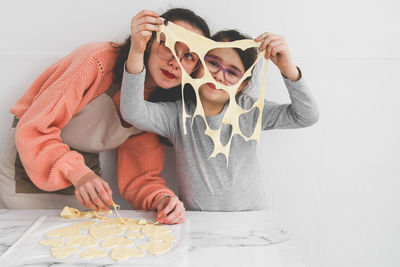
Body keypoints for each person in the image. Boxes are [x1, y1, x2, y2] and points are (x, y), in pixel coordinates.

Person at [0, 8, 210, 224]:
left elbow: (140, 177)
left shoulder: (157, 105)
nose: (175, 62)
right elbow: (33, 130)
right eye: (169, 46)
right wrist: (79, 174)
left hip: (85, 176)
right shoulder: (97, 60)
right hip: (30, 163)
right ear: (148, 40)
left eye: (189, 56)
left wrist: (162, 199)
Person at [120, 29, 319, 211]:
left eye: (232, 73)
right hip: (199, 223)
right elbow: (132, 111)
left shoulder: (249, 110)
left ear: (242, 85)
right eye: (213, 63)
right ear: (198, 65)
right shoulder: (178, 115)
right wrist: (137, 52)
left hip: (251, 221)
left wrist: (288, 68)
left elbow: (306, 115)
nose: (218, 76)